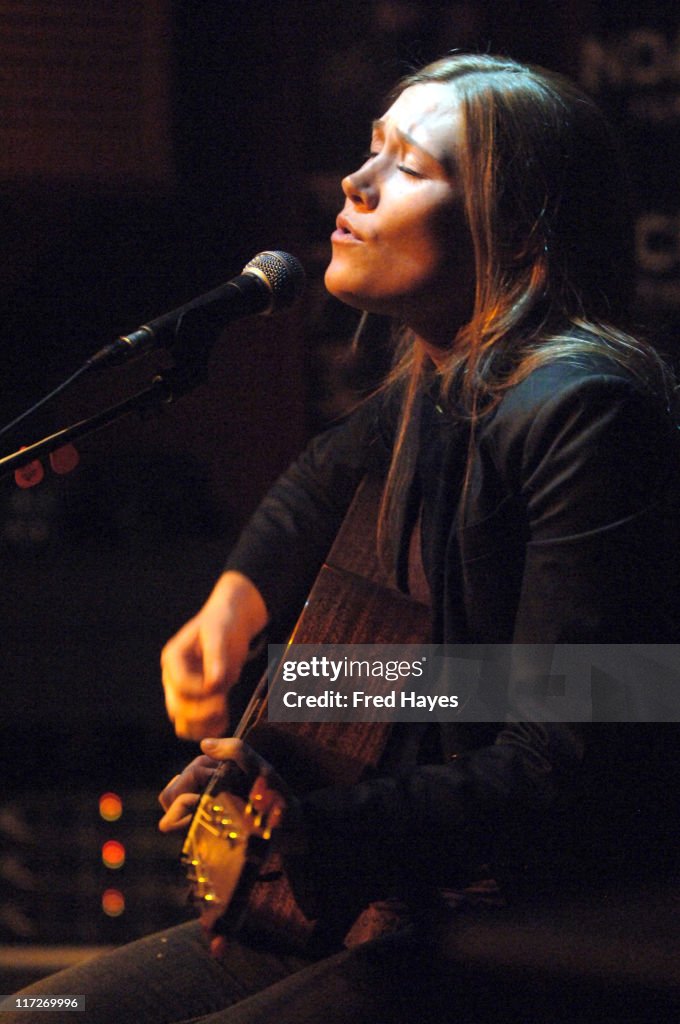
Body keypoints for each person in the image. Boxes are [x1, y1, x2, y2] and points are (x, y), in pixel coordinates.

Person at [8, 53, 680, 1023]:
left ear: (517, 230)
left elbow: (566, 750)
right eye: (368, 152)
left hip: (506, 932)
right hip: (376, 900)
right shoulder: (439, 385)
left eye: (406, 167)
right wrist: (235, 614)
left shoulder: (582, 408)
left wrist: (309, 828)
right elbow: (323, 486)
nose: (353, 186)